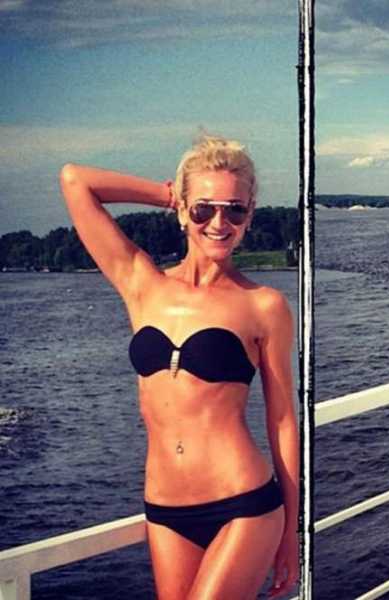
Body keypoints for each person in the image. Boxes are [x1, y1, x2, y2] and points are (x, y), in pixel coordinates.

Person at [60, 135, 300, 599]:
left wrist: (290, 530)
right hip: (166, 510)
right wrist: (168, 193)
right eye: (204, 209)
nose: (219, 223)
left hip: (244, 503)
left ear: (250, 215)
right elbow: (75, 181)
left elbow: (283, 420)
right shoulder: (142, 284)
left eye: (235, 210)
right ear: (183, 211)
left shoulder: (264, 305)